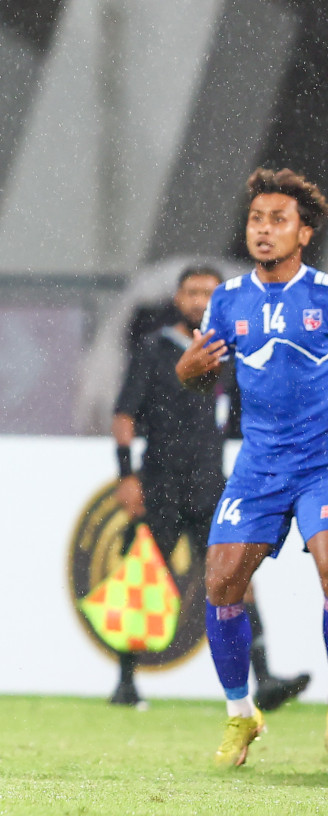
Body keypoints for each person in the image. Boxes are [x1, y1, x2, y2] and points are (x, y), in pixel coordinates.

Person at [177, 167, 328, 766]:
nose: (264, 231)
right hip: (260, 467)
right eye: (256, 220)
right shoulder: (229, 297)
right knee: (220, 582)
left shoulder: (323, 296)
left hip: (322, 462)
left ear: (304, 233)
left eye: (278, 221)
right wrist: (189, 372)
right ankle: (243, 715)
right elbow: (200, 372)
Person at [111, 264, 310, 710]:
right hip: (161, 482)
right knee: (145, 578)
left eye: (209, 292)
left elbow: (250, 414)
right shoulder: (154, 350)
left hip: (210, 484)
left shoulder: (231, 354)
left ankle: (265, 677)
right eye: (192, 291)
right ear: (178, 300)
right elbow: (124, 416)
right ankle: (125, 682)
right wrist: (127, 475)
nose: (201, 300)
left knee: (236, 575)